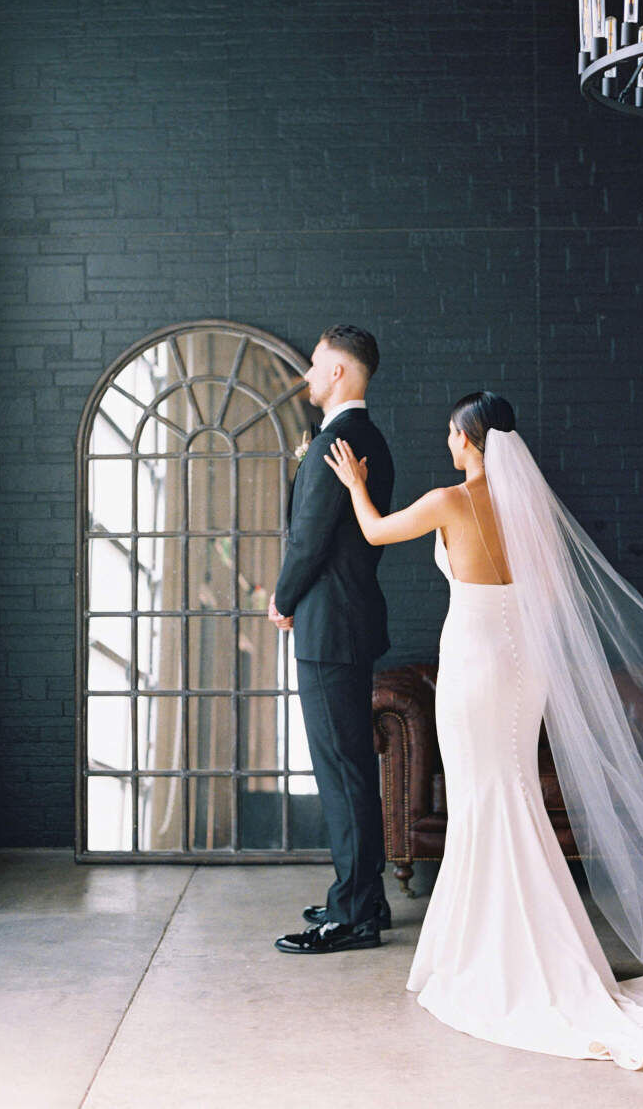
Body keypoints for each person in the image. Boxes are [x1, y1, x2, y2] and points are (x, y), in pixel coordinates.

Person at [323, 390, 643, 1069]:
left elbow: (375, 530)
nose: (448, 443)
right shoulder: (530, 514)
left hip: (476, 659)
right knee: (512, 795)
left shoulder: (451, 501)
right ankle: (517, 944)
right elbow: (555, 602)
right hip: (522, 662)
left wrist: (357, 486)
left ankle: (485, 956)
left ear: (471, 442)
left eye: (453, 434)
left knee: (483, 798)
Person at [269, 325, 395, 955]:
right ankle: (364, 894)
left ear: (340, 373)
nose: (309, 376)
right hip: (349, 624)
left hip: (328, 629)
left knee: (342, 772)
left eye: (316, 365)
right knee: (351, 770)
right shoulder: (368, 439)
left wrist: (281, 599)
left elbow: (311, 540)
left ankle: (352, 916)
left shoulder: (336, 442)